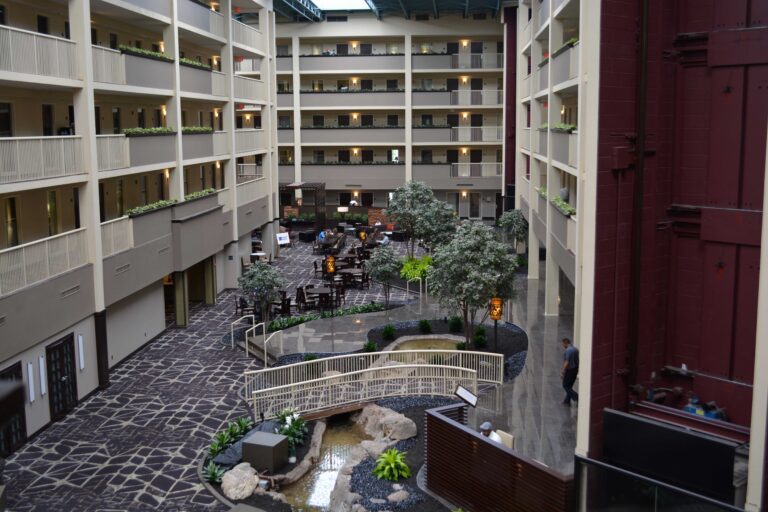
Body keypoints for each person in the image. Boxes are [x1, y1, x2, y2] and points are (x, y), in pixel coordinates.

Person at [560, 337, 579, 405]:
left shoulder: (568, 351)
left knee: (565, 385)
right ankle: (567, 401)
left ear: (565, 343)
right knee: (569, 386)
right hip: (575, 369)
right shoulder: (575, 349)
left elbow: (567, 361)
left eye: (563, 344)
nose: (563, 346)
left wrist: (562, 371)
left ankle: (576, 397)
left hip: (570, 370)